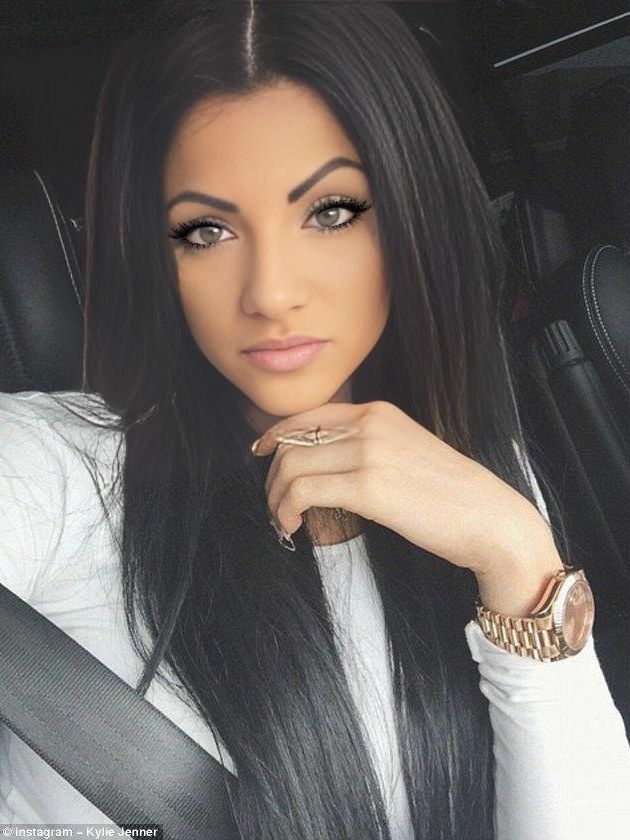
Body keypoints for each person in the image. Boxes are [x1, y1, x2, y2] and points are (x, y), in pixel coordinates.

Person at [1, 1, 629, 838]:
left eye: (330, 212)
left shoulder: (472, 479)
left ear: (414, 214)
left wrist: (517, 555)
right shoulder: (58, 468)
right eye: (206, 230)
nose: (270, 292)